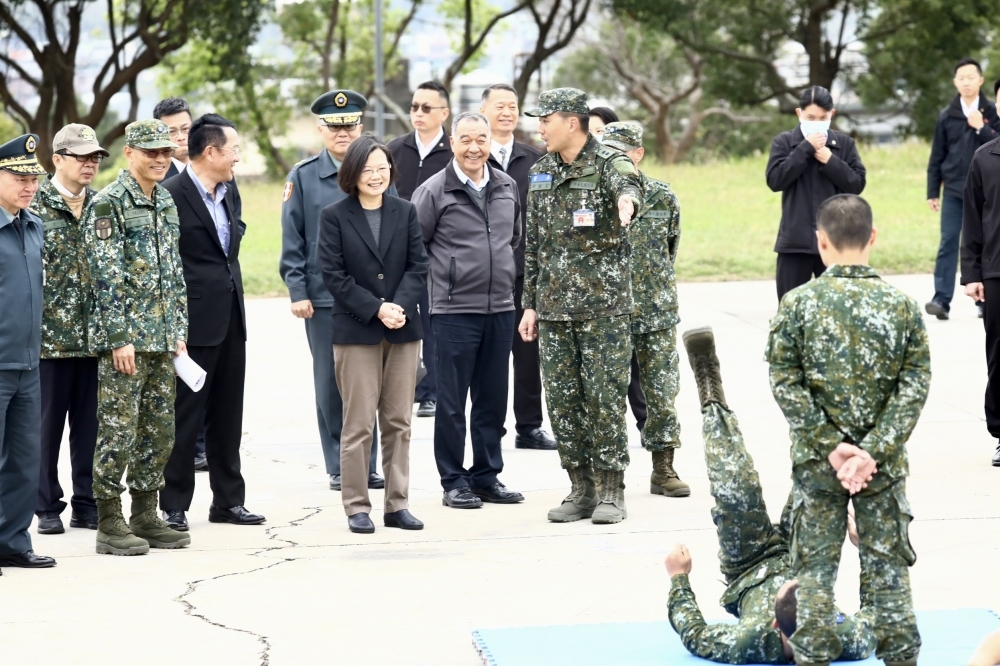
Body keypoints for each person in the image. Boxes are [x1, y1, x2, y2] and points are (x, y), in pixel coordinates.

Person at [767, 194, 929, 666]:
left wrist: (831, 446)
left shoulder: (797, 304)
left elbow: (783, 380)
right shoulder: (902, 307)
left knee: (814, 574)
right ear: (873, 237)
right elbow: (915, 384)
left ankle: (813, 658)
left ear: (820, 243)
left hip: (820, 466)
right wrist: (872, 451)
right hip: (883, 467)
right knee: (889, 572)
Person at [665, 326, 875, 664]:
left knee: (734, 484)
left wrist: (678, 578)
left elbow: (695, 634)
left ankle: (709, 389)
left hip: (748, 566)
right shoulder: (848, 638)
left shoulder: (750, 642)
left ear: (776, 624)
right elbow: (879, 608)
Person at [519, 88, 643, 524]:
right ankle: (580, 488)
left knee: (605, 400)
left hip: (603, 311)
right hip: (553, 309)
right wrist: (529, 304)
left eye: (545, 119)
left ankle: (612, 491)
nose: (539, 128)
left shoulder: (610, 161)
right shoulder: (540, 172)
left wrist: (628, 200)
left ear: (572, 121)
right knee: (564, 402)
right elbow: (533, 244)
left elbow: (629, 183)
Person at [83, 119, 191, 556]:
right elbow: (105, 278)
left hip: (163, 338)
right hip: (126, 342)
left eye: (165, 152)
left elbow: (174, 274)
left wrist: (179, 330)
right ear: (130, 153)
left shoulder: (164, 200)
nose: (161, 159)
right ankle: (110, 521)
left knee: (159, 431)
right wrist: (118, 338)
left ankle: (146, 513)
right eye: (151, 152)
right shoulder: (108, 203)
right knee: (118, 431)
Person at [413, 111, 526, 509]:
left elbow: (513, 238)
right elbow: (416, 248)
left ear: (490, 140)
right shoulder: (432, 191)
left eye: (482, 139)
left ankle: (486, 476)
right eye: (466, 140)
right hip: (451, 312)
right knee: (451, 401)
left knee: (492, 400)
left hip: (500, 308)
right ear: (453, 142)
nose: (474, 148)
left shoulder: (508, 185)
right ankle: (453, 481)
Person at [317, 135, 429, 534]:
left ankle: (397, 504)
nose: (376, 176)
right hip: (357, 331)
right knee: (359, 423)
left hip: (403, 328)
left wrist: (398, 305)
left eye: (383, 168)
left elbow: (419, 265)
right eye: (368, 169)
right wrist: (376, 308)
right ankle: (356, 506)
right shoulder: (334, 215)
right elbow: (333, 274)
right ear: (353, 174)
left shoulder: (406, 211)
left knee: (399, 421)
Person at [160, 114, 265, 531]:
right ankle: (174, 505)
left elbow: (230, 242)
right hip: (192, 326)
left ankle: (228, 501)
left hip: (231, 320)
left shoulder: (230, 189)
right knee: (185, 418)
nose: (238, 157)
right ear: (210, 152)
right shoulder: (171, 194)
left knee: (227, 417)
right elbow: (167, 267)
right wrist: (173, 329)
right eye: (234, 149)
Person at [279, 90, 383, 491]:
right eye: (334, 127)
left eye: (350, 126)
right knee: (330, 385)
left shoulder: (377, 169)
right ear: (320, 129)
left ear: (361, 128)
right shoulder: (303, 176)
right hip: (323, 299)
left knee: (368, 384)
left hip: (371, 299)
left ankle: (367, 464)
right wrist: (296, 290)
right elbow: (293, 239)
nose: (343, 134)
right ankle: (341, 465)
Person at [601, 122, 689, 497]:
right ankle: (609, 476)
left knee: (662, 392)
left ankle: (663, 469)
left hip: (655, 311)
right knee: (605, 396)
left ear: (637, 154)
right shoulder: (594, 197)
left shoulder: (663, 197)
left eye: (618, 154)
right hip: (607, 312)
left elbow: (670, 250)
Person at [30, 124, 109, 536]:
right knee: (45, 429)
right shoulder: (34, 205)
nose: (89, 163)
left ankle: (87, 502)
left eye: (94, 156)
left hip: (95, 339)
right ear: (57, 159)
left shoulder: (102, 205)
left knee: (91, 427)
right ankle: (46, 505)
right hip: (47, 339)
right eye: (81, 156)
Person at [480, 84, 555, 451]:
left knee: (528, 355)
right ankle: (490, 428)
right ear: (483, 110)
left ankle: (529, 426)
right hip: (486, 275)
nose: (507, 112)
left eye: (512, 106)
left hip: (526, 273)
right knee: (491, 359)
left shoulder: (537, 159)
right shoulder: (472, 157)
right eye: (499, 106)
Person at [0, 134, 57, 571]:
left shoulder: (33, 225)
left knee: (24, 461)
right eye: (19, 177)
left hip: (28, 363)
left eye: (33, 178)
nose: (29, 185)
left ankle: (13, 540)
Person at [388, 80, 454, 418]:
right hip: (395, 254)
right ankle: (401, 389)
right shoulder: (394, 150)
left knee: (432, 324)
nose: (418, 113)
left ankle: (430, 392)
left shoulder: (453, 153)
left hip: (436, 255)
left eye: (427, 108)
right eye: (414, 106)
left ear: (444, 113)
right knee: (397, 320)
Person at [765, 86, 866, 302]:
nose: (817, 122)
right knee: (790, 309)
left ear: (832, 115)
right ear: (799, 114)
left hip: (836, 241)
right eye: (811, 117)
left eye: (823, 117)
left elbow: (857, 185)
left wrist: (831, 161)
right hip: (795, 242)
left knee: (838, 311)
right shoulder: (784, 142)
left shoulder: (845, 144)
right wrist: (804, 149)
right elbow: (775, 180)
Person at [155, 97, 208, 472]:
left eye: (185, 128)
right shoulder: (160, 178)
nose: (179, 137)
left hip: (209, 295)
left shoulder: (212, 168)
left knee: (205, 374)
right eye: (171, 130)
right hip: (175, 292)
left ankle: (201, 445)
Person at [926, 57, 1000, 321]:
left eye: (971, 77)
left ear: (981, 80)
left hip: (989, 192)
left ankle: (984, 299)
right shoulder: (947, 116)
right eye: (961, 78)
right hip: (955, 192)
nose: (966, 82)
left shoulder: (993, 111)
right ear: (955, 82)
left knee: (986, 241)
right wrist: (932, 191)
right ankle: (941, 299)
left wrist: (982, 127)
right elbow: (937, 156)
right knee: (948, 242)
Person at [961, 78, 1000, 467]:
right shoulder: (985, 158)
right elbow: (971, 222)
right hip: (996, 273)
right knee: (998, 354)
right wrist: (971, 273)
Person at [154, 97, 193, 180]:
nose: (181, 137)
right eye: (172, 132)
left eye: (185, 129)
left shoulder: (213, 165)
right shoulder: (157, 179)